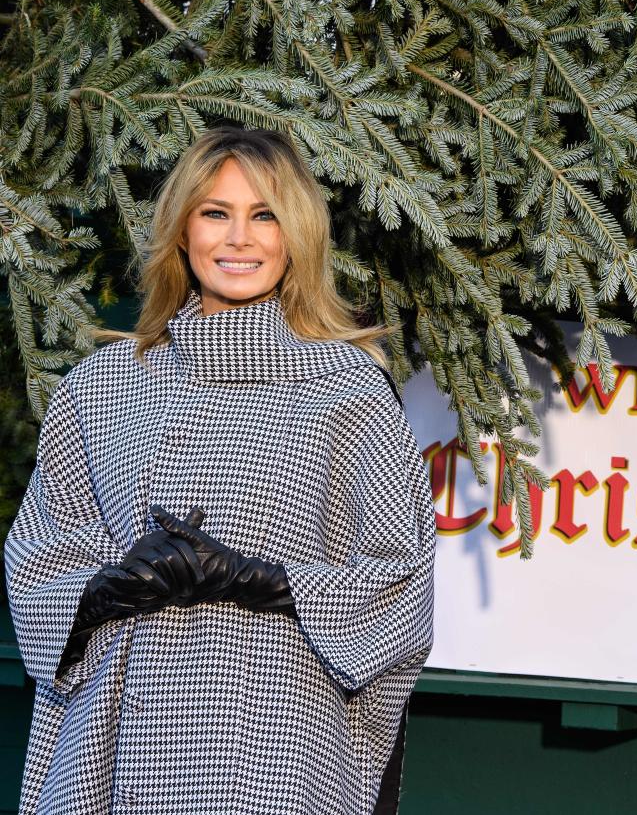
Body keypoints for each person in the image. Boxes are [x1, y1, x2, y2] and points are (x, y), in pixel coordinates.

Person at [3, 126, 436, 815]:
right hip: (115, 742)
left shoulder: (346, 389)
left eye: (264, 215)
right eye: (216, 213)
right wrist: (107, 586)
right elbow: (38, 558)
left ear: (296, 235)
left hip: (277, 743)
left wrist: (260, 581)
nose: (239, 239)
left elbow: (399, 579)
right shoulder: (103, 386)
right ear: (181, 229)